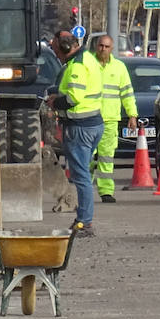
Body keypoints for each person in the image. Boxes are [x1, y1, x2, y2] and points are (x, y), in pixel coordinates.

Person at [46, 28, 103, 235]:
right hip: (93, 123)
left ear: (65, 48)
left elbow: (74, 98)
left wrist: (55, 102)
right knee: (84, 174)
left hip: (80, 126)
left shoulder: (77, 66)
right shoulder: (88, 59)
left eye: (56, 51)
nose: (55, 55)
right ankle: (83, 218)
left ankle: (85, 222)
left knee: (81, 177)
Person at [93, 35, 137, 204]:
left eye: (106, 46)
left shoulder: (119, 68)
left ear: (112, 49)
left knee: (106, 157)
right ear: (96, 47)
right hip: (89, 118)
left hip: (110, 120)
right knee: (88, 157)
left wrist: (132, 115)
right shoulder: (89, 65)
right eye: (100, 46)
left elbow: (127, 93)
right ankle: (84, 190)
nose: (103, 49)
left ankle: (106, 191)